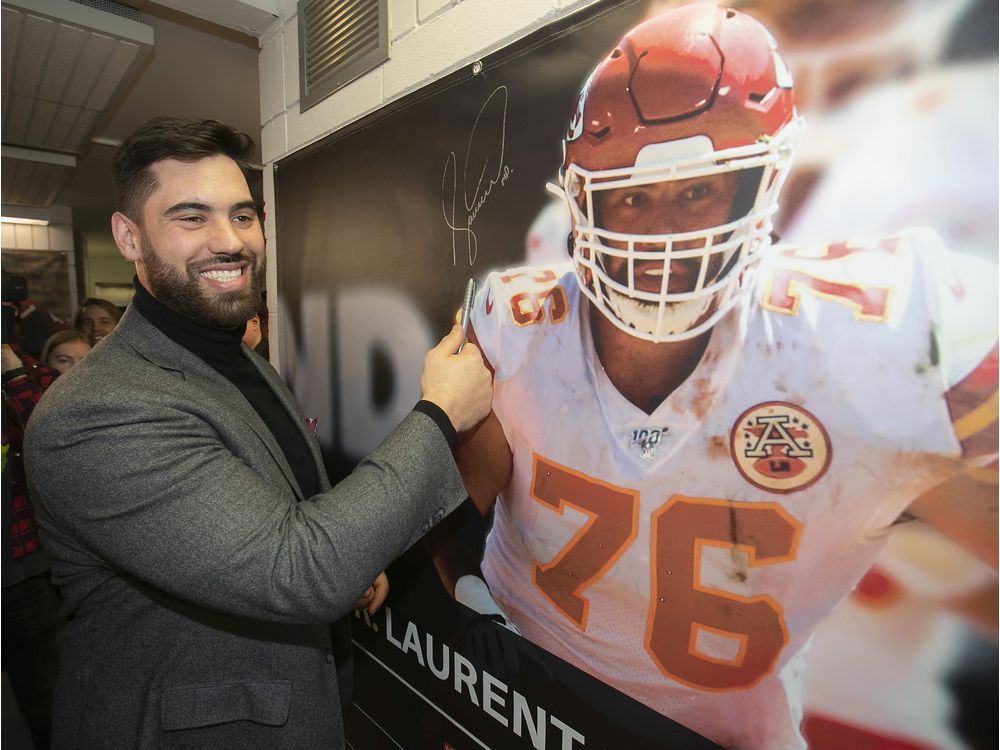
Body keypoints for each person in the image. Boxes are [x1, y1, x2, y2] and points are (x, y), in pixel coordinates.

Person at [436, 5, 997, 749]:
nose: (664, 235)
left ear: (761, 183)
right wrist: (469, 606)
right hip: (533, 705)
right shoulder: (518, 319)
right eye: (632, 198)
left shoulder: (887, 334)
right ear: (582, 200)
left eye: (697, 190)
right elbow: (447, 518)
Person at [23, 117, 493, 749]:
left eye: (243, 216)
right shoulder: (97, 411)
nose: (230, 240)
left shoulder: (232, 355)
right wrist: (440, 415)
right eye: (191, 218)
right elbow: (295, 569)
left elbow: (274, 504)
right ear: (129, 237)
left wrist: (351, 561)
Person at [2, 342, 62, 750]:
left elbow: (58, 442)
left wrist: (12, 376)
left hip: (21, 567)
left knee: (45, 697)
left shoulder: (29, 374)